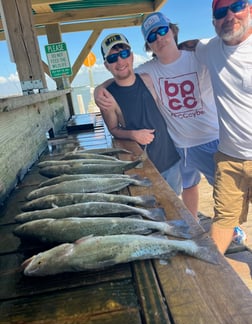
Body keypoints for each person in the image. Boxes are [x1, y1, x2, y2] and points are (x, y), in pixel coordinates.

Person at [95, 13, 219, 221]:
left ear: (172, 31)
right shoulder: (144, 74)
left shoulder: (195, 56)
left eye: (162, 31)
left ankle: (226, 225)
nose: (159, 38)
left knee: (226, 190)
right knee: (177, 194)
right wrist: (99, 88)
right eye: (152, 37)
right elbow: (123, 83)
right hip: (176, 147)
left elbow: (224, 52)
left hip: (200, 143)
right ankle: (189, 225)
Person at [194, 0, 252, 254]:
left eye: (237, 5)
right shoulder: (209, 49)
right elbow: (189, 46)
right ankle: (211, 277)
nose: (229, 15)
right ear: (214, 21)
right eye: (220, 12)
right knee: (223, 220)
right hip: (228, 158)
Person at [98, 33, 181, 194]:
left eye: (124, 54)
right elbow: (113, 129)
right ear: (107, 65)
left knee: (175, 207)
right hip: (142, 167)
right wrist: (133, 135)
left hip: (171, 159)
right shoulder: (107, 97)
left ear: (132, 56)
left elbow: (171, 59)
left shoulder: (148, 78)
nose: (120, 61)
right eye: (113, 58)